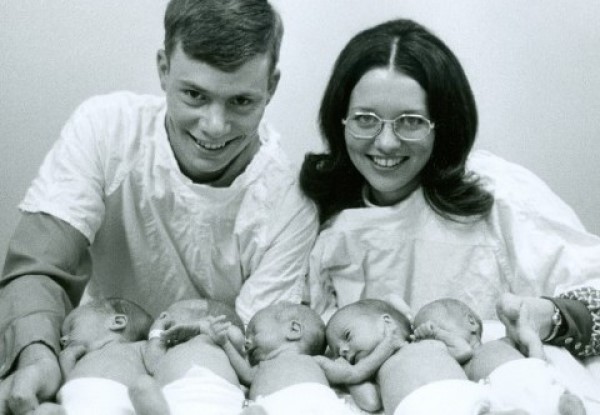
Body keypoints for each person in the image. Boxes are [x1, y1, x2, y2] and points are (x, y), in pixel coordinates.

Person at [0, 0, 318, 413]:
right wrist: (36, 354)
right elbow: (41, 264)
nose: (214, 126)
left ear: (271, 87)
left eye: (241, 102)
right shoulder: (105, 128)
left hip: (206, 385)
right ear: (163, 68)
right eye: (194, 95)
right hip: (97, 363)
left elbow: (253, 344)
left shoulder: (291, 202)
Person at [300, 18, 600, 362]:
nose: (385, 142)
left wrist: (552, 316)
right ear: (340, 120)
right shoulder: (319, 211)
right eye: (365, 118)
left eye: (410, 122)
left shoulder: (499, 195)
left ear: (443, 124)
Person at [169, 301, 397, 415]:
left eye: (254, 332)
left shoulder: (315, 362)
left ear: (294, 330)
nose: (247, 343)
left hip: (316, 405)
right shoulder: (259, 369)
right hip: (270, 407)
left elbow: (355, 373)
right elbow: (245, 375)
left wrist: (385, 347)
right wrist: (224, 343)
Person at [319, 299, 522, 415]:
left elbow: (464, 351)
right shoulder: (375, 372)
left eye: (347, 336)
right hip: (418, 408)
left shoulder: (426, 343)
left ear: (387, 323)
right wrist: (350, 375)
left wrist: (437, 333)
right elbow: (370, 403)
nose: (343, 351)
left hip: (460, 395)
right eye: (339, 352)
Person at [413, 298, 588, 415]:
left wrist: (438, 334)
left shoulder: (501, 342)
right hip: (499, 397)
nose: (433, 341)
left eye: (435, 329)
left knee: (552, 396)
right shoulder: (452, 366)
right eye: (427, 339)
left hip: (524, 376)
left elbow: (531, 351)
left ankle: (565, 405)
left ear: (471, 323)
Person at [32, 298, 153, 415]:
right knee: (44, 410)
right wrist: (66, 362)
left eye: (72, 328)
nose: (62, 340)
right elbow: (70, 387)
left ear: (117, 322)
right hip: (75, 407)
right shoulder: (81, 360)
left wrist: (157, 332)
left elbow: (156, 360)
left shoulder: (138, 348)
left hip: (121, 406)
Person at [142, 299, 247, 415]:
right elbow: (152, 364)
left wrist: (204, 328)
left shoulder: (216, 337)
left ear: (207, 319)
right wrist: (156, 332)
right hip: (172, 399)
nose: (164, 316)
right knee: (142, 385)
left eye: (171, 313)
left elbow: (238, 338)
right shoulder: (169, 348)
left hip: (220, 396)